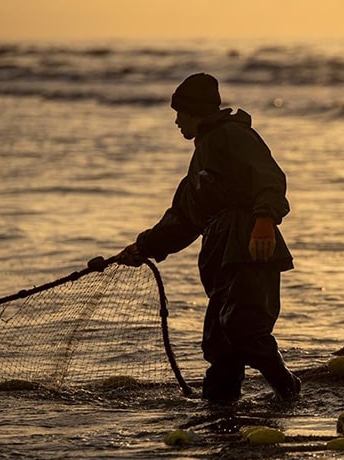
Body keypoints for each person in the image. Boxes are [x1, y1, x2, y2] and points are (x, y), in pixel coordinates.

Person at [117, 73, 301, 402]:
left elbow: (270, 179)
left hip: (249, 248)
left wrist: (264, 220)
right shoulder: (203, 151)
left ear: (194, 112)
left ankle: (288, 390)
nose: (175, 121)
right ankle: (219, 408)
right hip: (222, 255)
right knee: (220, 344)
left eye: (180, 113)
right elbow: (185, 218)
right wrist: (142, 247)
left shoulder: (233, 135)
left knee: (243, 330)